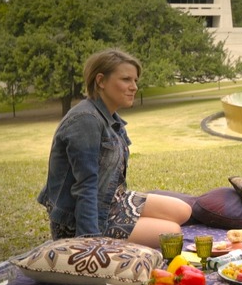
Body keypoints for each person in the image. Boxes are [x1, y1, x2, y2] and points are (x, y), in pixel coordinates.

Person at [37, 49, 192, 249]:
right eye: (126, 79)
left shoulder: (109, 118)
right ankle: (101, 238)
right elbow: (85, 186)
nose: (134, 87)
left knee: (183, 210)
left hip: (112, 200)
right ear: (100, 81)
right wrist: (89, 243)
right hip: (84, 219)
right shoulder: (85, 120)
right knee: (171, 232)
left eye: (135, 80)